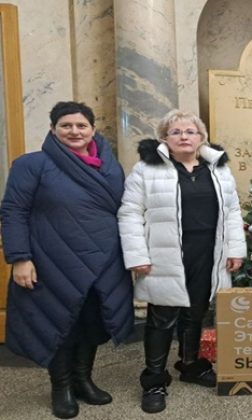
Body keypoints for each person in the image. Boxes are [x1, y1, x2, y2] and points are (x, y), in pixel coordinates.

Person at [0, 101, 134, 419]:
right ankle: (61, 386)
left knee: (91, 322)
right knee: (60, 322)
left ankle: (84, 379)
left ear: (92, 130)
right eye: (66, 125)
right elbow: (13, 211)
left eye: (81, 125)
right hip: (52, 260)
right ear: (53, 130)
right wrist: (20, 258)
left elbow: (123, 210)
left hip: (104, 261)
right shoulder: (31, 165)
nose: (74, 131)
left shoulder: (110, 167)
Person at [118, 110, 247, 414]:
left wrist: (234, 250)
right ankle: (154, 381)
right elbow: (130, 213)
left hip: (208, 252)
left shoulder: (218, 169)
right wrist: (137, 256)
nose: (184, 137)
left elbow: (232, 212)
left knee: (196, 313)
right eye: (176, 132)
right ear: (165, 138)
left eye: (190, 131)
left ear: (201, 137)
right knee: (162, 318)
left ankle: (190, 365)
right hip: (164, 255)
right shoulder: (146, 169)